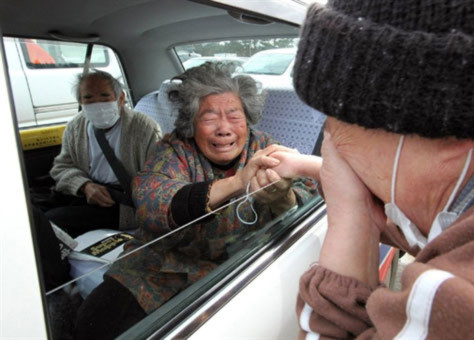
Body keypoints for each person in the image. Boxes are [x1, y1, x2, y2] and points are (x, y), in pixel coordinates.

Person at [276, 1, 474, 339]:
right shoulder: (458, 217)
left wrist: (349, 223)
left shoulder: (462, 294)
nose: (332, 146)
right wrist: (305, 167)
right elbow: (399, 220)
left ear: (445, 130)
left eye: (336, 123)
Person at [75, 62, 318, 339]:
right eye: (209, 117)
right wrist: (238, 182)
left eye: (234, 115)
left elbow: (308, 200)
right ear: (192, 122)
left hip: (238, 270)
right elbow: (151, 201)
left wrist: (282, 196)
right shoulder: (174, 149)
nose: (224, 128)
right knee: (94, 322)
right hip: (160, 267)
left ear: (247, 118)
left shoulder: (266, 149)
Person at [46, 70, 162, 237]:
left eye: (104, 96)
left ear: (120, 98)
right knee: (31, 214)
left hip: (124, 204)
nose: (97, 104)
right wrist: (84, 186)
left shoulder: (145, 129)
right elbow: (62, 166)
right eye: (88, 98)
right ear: (80, 101)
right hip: (86, 193)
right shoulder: (76, 126)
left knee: (52, 222)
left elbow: (159, 177)